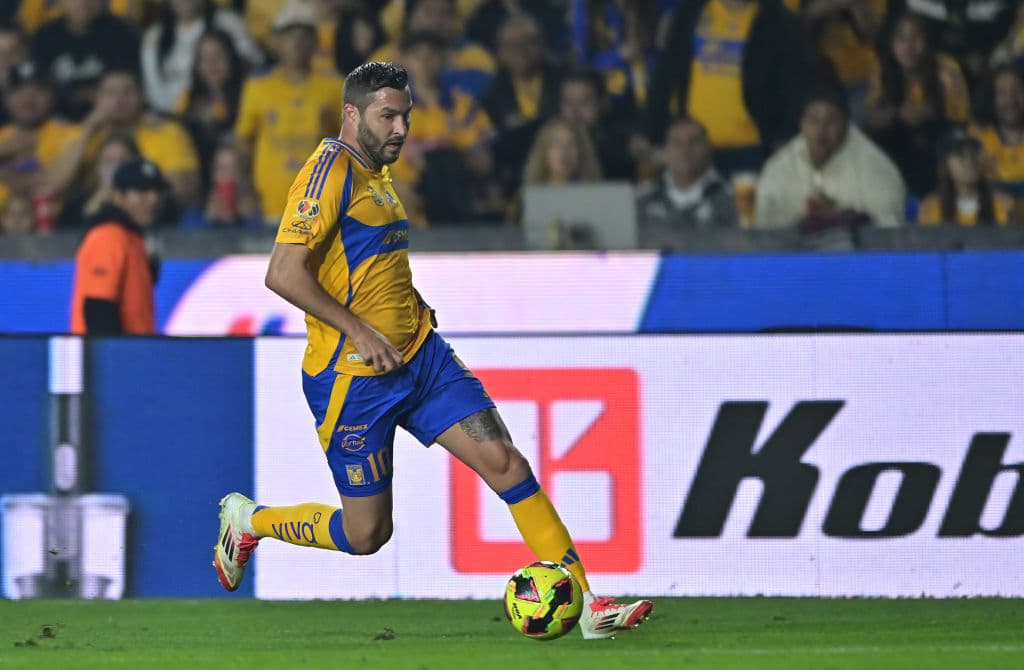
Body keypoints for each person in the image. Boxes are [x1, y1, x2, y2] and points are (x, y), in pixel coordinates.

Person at [212, 61, 652, 640]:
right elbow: (283, 273)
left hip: (420, 357)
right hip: (353, 379)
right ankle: (250, 521)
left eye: (406, 116)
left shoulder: (379, 173)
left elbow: (370, 264)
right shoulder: (327, 174)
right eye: (387, 117)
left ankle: (589, 604)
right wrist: (360, 331)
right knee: (368, 534)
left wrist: (406, 307)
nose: (400, 129)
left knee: (506, 463)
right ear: (351, 115)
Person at [644, 0, 815, 177]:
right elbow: (665, 73)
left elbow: (797, 84)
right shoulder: (690, 11)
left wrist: (786, 135)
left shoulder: (780, 19)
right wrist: (650, 130)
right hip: (693, 147)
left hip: (752, 148)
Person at [234, 0, 344, 224]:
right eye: (288, 35)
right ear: (276, 41)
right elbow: (243, 144)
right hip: (270, 207)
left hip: (320, 206)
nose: (296, 42)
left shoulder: (334, 87)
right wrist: (245, 193)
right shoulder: (258, 87)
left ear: (314, 41)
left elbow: (350, 144)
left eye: (303, 35)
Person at [755, 86, 906, 230]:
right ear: (801, 124)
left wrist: (841, 217)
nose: (821, 130)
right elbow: (763, 224)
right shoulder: (780, 165)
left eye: (831, 120)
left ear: (846, 124)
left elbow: (890, 230)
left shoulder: (876, 167)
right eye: (813, 120)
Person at [863, 11, 970, 197]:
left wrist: (929, 113)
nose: (909, 46)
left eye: (916, 38)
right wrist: (898, 114)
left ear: (927, 41)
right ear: (892, 42)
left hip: (936, 140)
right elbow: (870, 118)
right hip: (898, 139)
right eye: (902, 38)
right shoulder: (882, 69)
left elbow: (961, 121)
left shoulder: (946, 68)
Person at [68, 158, 166, 335]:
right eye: (141, 191)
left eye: (156, 191)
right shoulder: (108, 236)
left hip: (134, 348)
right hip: (112, 350)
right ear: (119, 196)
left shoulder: (134, 237)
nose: (153, 199)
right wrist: (113, 351)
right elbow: (97, 308)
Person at [140, 0, 262, 114]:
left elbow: (256, 69)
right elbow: (154, 90)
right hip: (173, 119)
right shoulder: (154, 37)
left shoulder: (228, 23)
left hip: (231, 109)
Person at [30, 0, 140, 120]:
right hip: (55, 120)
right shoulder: (45, 37)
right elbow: (39, 86)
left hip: (111, 117)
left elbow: (129, 85)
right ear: (61, 2)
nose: (83, 3)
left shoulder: (122, 33)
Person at [636, 116, 739, 241]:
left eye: (694, 142)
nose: (685, 151)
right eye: (677, 143)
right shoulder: (639, 199)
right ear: (665, 151)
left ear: (708, 149)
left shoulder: (734, 199)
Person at [918, 128, 1014, 226]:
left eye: (973, 154)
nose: (969, 162)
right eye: (960, 155)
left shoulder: (1002, 204)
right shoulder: (931, 207)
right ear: (945, 165)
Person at [970, 64, 1024, 214]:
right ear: (991, 97)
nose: (1010, 99)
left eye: (1017, 90)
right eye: (1002, 92)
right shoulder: (977, 136)